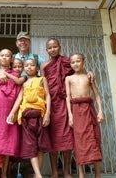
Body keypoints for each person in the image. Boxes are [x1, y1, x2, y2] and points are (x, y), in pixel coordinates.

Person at [7, 59, 51, 178]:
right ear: (24, 69)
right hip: (26, 117)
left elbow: (47, 96)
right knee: (31, 146)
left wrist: (47, 114)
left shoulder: (42, 79)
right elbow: (19, 99)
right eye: (26, 66)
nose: (29, 67)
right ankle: (38, 174)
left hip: (40, 115)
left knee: (40, 146)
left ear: (37, 69)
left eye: (32, 65)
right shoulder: (24, 83)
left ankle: (37, 174)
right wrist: (12, 112)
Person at [0, 49, 24, 177]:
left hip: (10, 112)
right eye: (2, 55)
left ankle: (5, 174)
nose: (5, 57)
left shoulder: (16, 75)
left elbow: (19, 95)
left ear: (11, 59)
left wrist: (14, 112)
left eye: (8, 56)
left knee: (8, 142)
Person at [65, 53, 103, 178]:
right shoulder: (69, 78)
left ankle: (98, 174)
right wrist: (70, 115)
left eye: (78, 61)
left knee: (94, 139)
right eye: (73, 62)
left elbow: (97, 95)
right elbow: (68, 97)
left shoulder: (89, 76)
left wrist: (100, 111)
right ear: (70, 64)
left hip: (89, 109)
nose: (75, 64)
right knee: (79, 142)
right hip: (76, 110)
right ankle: (81, 174)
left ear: (83, 62)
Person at [40, 38, 74, 178]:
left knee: (67, 138)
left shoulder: (67, 61)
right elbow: (43, 86)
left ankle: (66, 171)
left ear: (59, 47)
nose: (53, 49)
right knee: (52, 139)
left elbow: (77, 73)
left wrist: (89, 72)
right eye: (50, 47)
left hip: (65, 103)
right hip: (50, 105)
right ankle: (54, 171)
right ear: (46, 50)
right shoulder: (44, 65)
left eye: (55, 46)